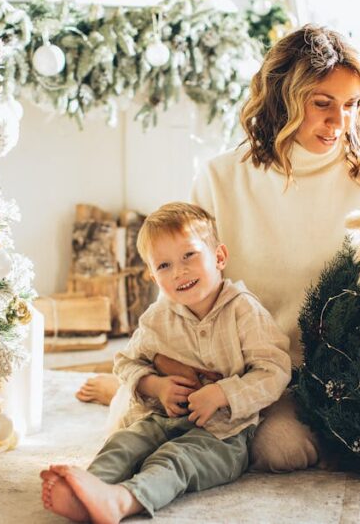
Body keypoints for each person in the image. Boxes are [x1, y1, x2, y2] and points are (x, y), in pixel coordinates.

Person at [77, 25, 360, 472]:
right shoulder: (220, 177)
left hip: (320, 379)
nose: (339, 123)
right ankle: (114, 390)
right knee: (133, 433)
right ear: (283, 98)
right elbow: (180, 273)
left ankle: (118, 391)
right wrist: (166, 361)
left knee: (280, 451)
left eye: (351, 106)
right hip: (228, 366)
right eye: (322, 104)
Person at [43, 203, 291, 523]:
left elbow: (274, 370)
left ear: (219, 257)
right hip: (161, 419)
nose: (179, 271)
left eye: (189, 255)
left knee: (174, 459)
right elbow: (127, 362)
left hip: (223, 435)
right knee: (125, 442)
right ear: (152, 276)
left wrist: (223, 394)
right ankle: (90, 488)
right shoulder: (158, 317)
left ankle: (123, 500)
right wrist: (155, 386)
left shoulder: (243, 311)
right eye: (164, 265)